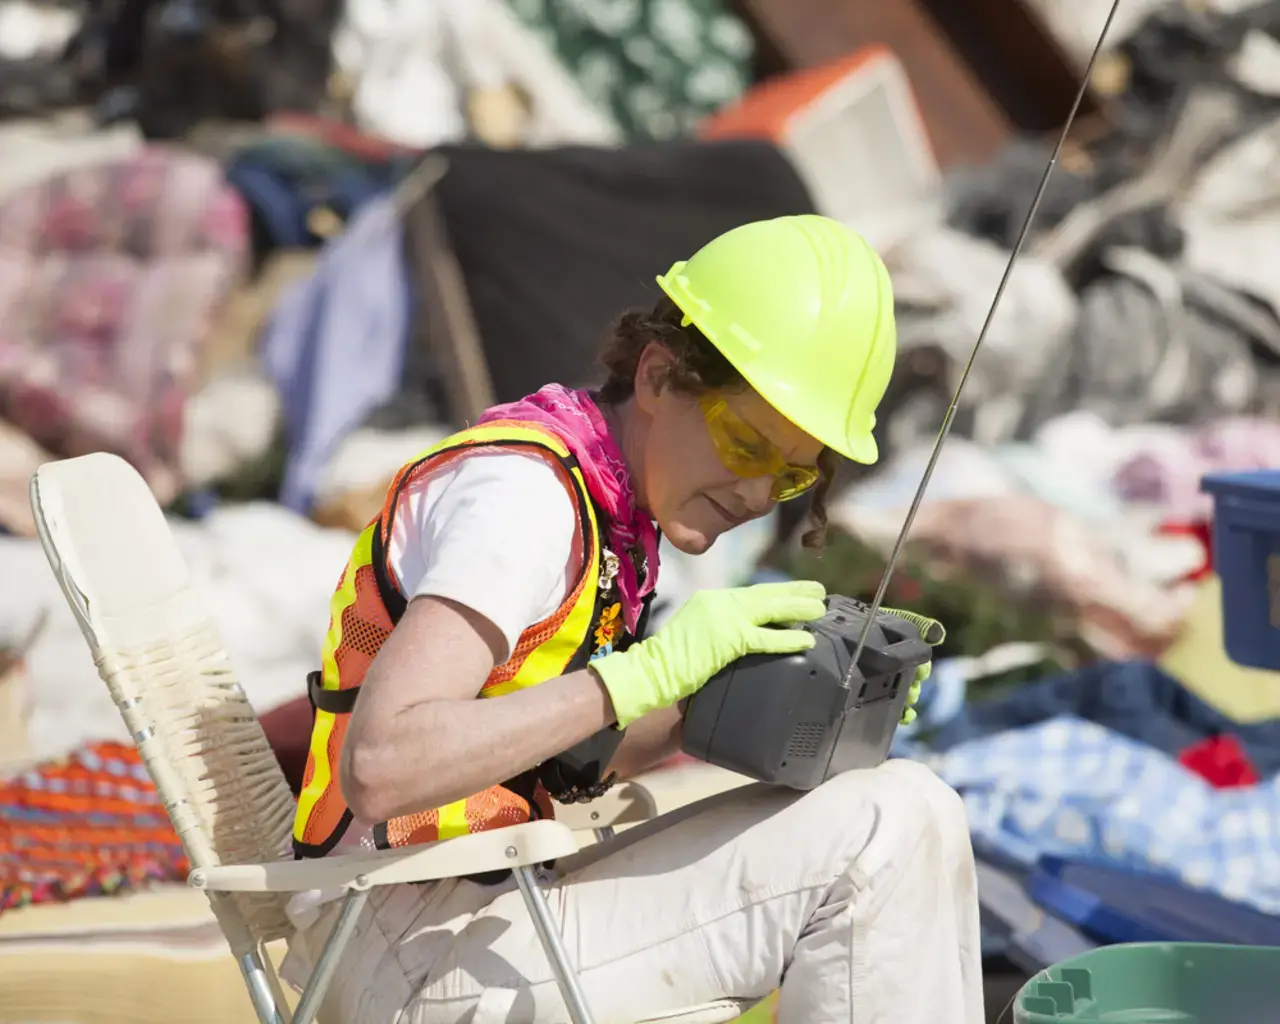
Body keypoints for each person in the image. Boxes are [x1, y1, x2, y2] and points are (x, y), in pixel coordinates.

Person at [281, 214, 984, 1023]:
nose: (758, 496)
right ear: (657, 376)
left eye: (791, 479)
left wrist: (750, 705)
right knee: (884, 831)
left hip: (482, 905)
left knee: (906, 798)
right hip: (402, 942)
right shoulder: (525, 503)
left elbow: (553, 758)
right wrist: (641, 676)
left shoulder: (608, 505)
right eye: (748, 447)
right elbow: (382, 766)